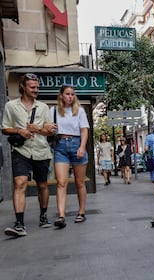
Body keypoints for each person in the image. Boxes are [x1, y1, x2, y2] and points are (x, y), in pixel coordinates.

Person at [1, 73, 56, 237]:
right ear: (23, 87)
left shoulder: (43, 107)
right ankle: (19, 224)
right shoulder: (11, 106)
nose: (36, 90)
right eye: (32, 87)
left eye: (37, 87)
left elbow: (49, 132)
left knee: (42, 186)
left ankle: (43, 216)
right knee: (20, 183)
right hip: (21, 151)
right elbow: (4, 128)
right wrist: (19, 130)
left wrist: (37, 129)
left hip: (41, 150)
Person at [51, 84, 90, 229]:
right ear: (61, 95)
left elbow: (84, 131)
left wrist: (82, 147)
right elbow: (49, 129)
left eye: (72, 94)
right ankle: (61, 215)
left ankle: (81, 212)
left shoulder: (79, 110)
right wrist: (49, 128)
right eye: (67, 94)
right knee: (61, 182)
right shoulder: (53, 111)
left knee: (79, 182)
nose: (70, 97)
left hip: (76, 144)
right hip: (60, 146)